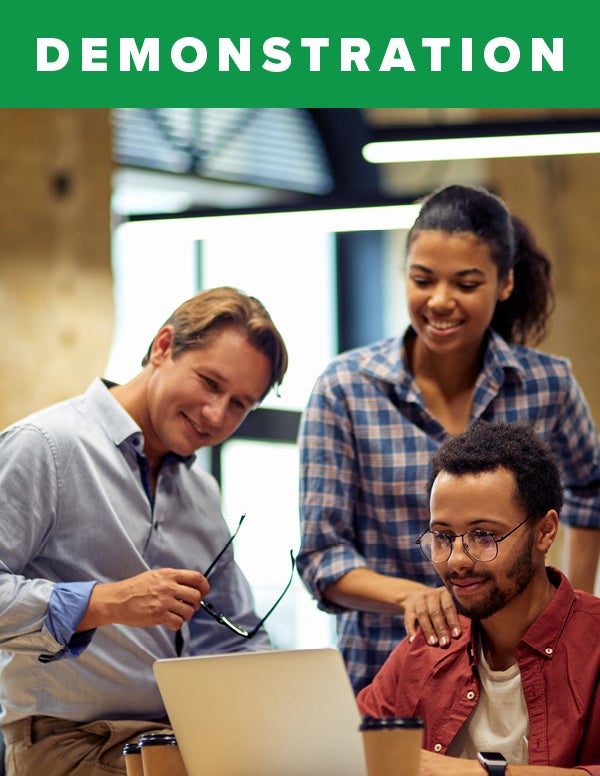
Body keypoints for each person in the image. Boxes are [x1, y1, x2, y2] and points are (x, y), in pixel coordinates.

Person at [297, 183, 600, 693]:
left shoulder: (547, 384)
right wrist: (411, 596)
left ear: (504, 283)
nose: (440, 300)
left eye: (466, 283)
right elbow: (321, 555)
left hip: (523, 676)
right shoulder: (345, 388)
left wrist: (573, 618)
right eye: (422, 279)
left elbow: (591, 493)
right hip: (383, 672)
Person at [0, 286, 288, 776]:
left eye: (240, 404)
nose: (216, 415)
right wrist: (107, 602)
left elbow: (233, 637)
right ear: (163, 346)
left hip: (182, 738)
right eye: (209, 383)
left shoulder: (201, 493)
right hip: (73, 743)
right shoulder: (45, 446)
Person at [357, 420, 600, 776]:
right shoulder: (428, 645)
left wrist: (476, 772)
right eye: (443, 537)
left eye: (484, 536)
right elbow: (348, 748)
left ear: (545, 532)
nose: (457, 560)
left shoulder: (593, 645)